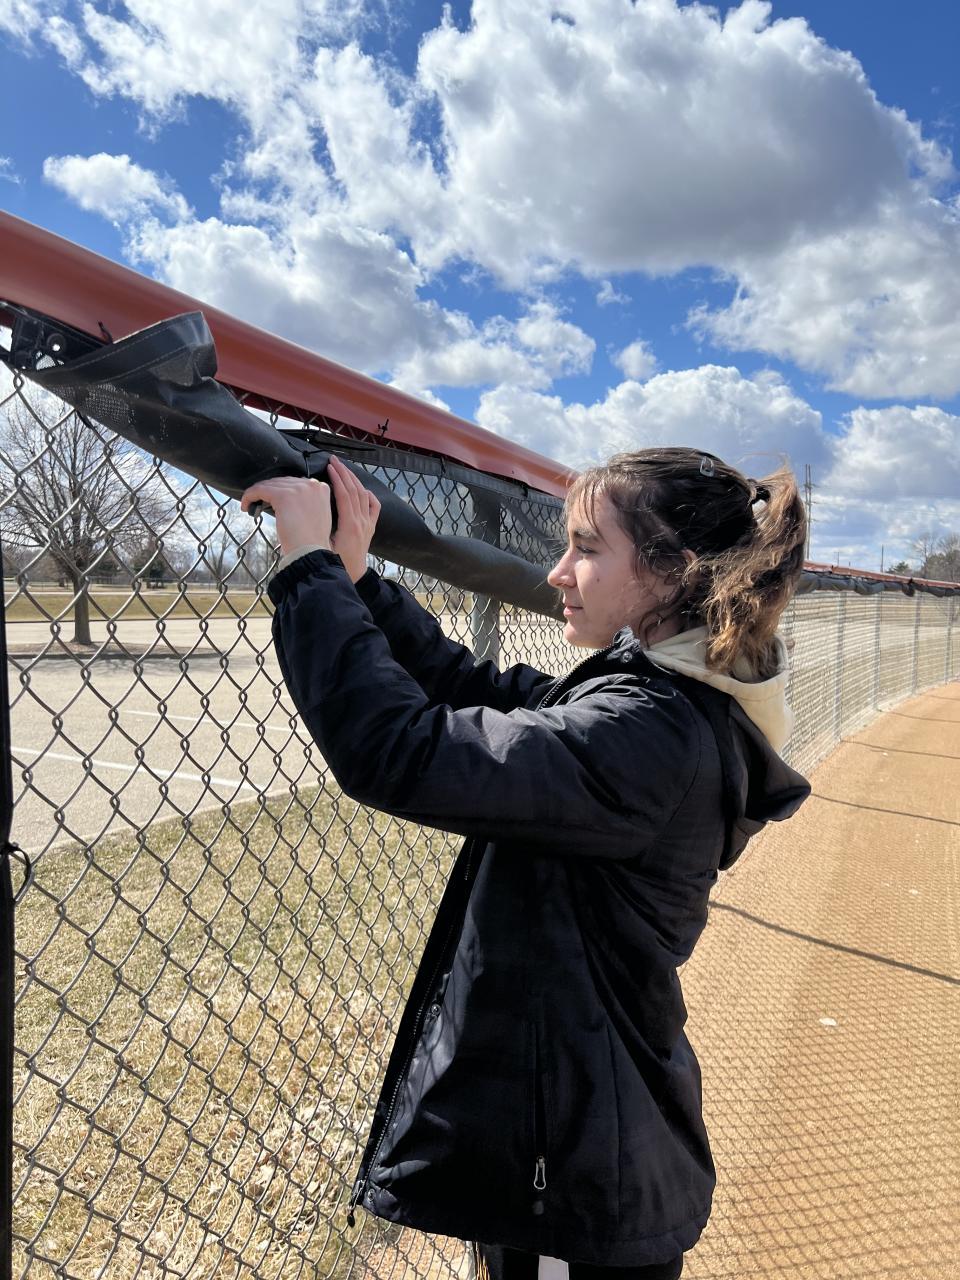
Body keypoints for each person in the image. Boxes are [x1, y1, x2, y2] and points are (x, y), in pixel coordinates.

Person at [241, 448, 811, 1280]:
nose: (558, 572)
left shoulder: (648, 735)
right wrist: (359, 584)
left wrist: (308, 572)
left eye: (587, 547)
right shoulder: (667, 697)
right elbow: (468, 689)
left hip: (571, 1177)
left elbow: (401, 751)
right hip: (580, 1132)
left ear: (672, 572)